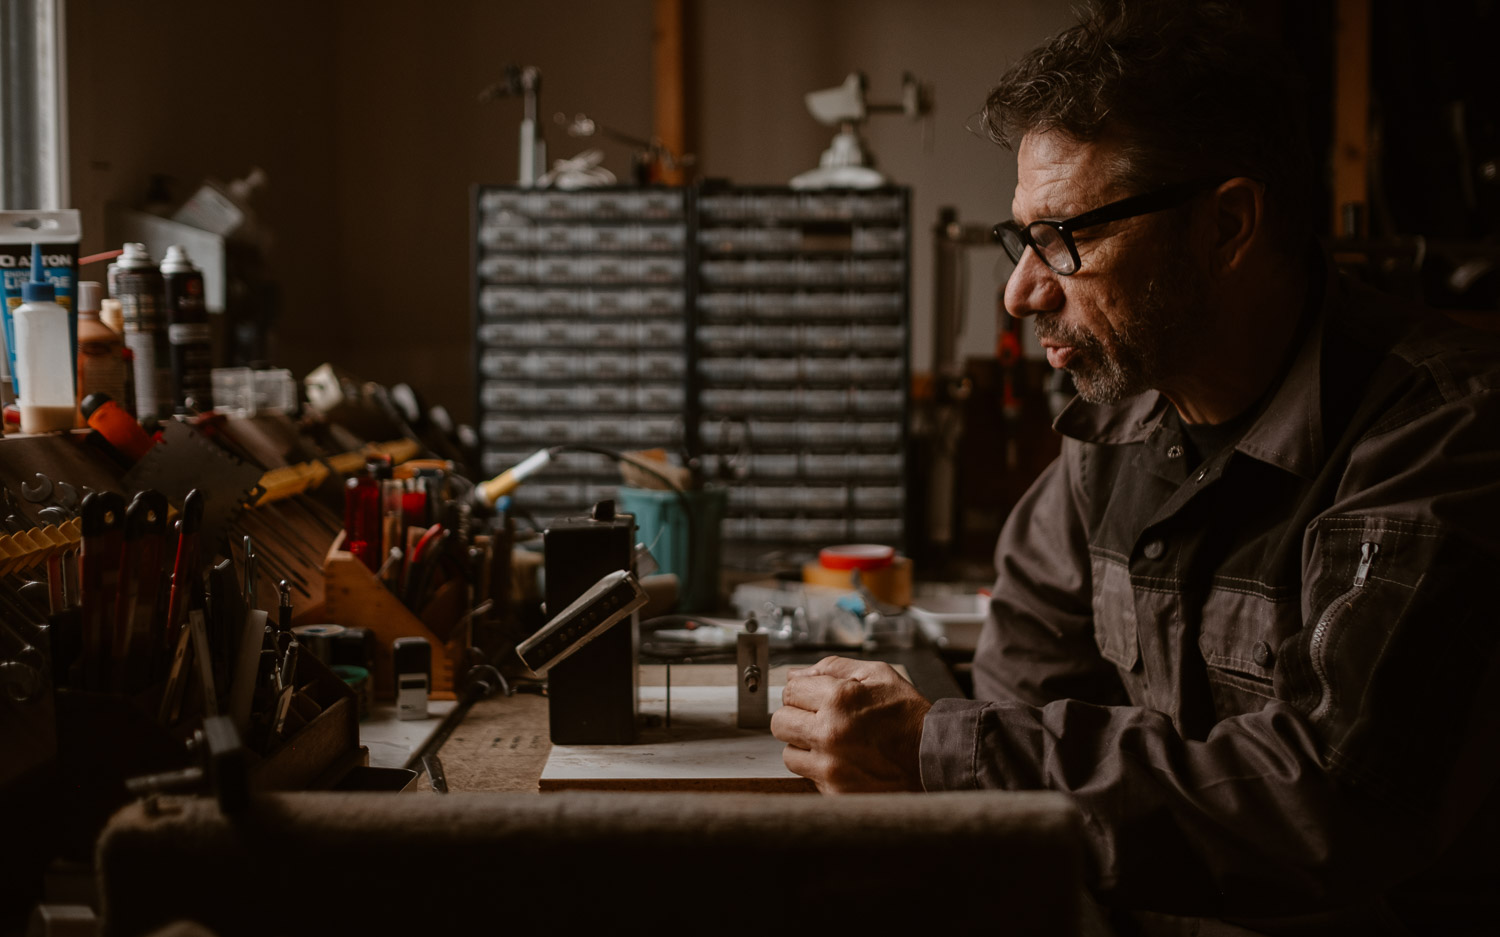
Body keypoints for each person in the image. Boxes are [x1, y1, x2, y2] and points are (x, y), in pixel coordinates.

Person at [770, 2, 1500, 933]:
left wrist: (941, 749)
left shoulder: (1445, 434)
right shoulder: (1112, 436)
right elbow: (1015, 703)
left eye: (1067, 238)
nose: (1021, 290)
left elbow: (1333, 801)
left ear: (1227, 225)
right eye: (1019, 238)